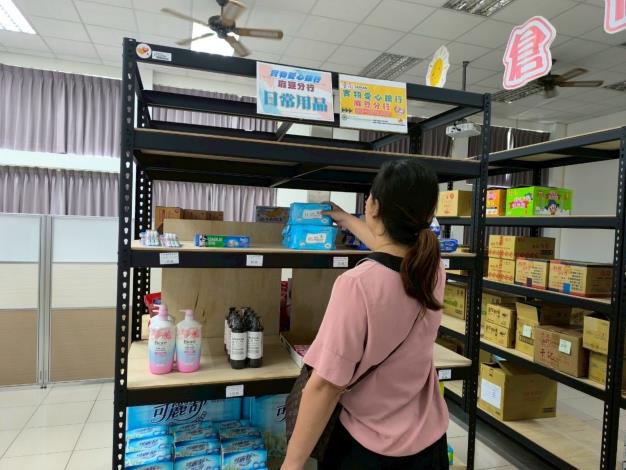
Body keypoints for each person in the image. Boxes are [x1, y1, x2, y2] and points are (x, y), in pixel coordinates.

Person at [282, 159, 449, 470]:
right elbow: (390, 248)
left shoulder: (357, 284)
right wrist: (346, 219)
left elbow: (325, 386)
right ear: (427, 215)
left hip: (368, 450)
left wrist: (292, 463)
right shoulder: (433, 269)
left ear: (374, 206)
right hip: (429, 446)